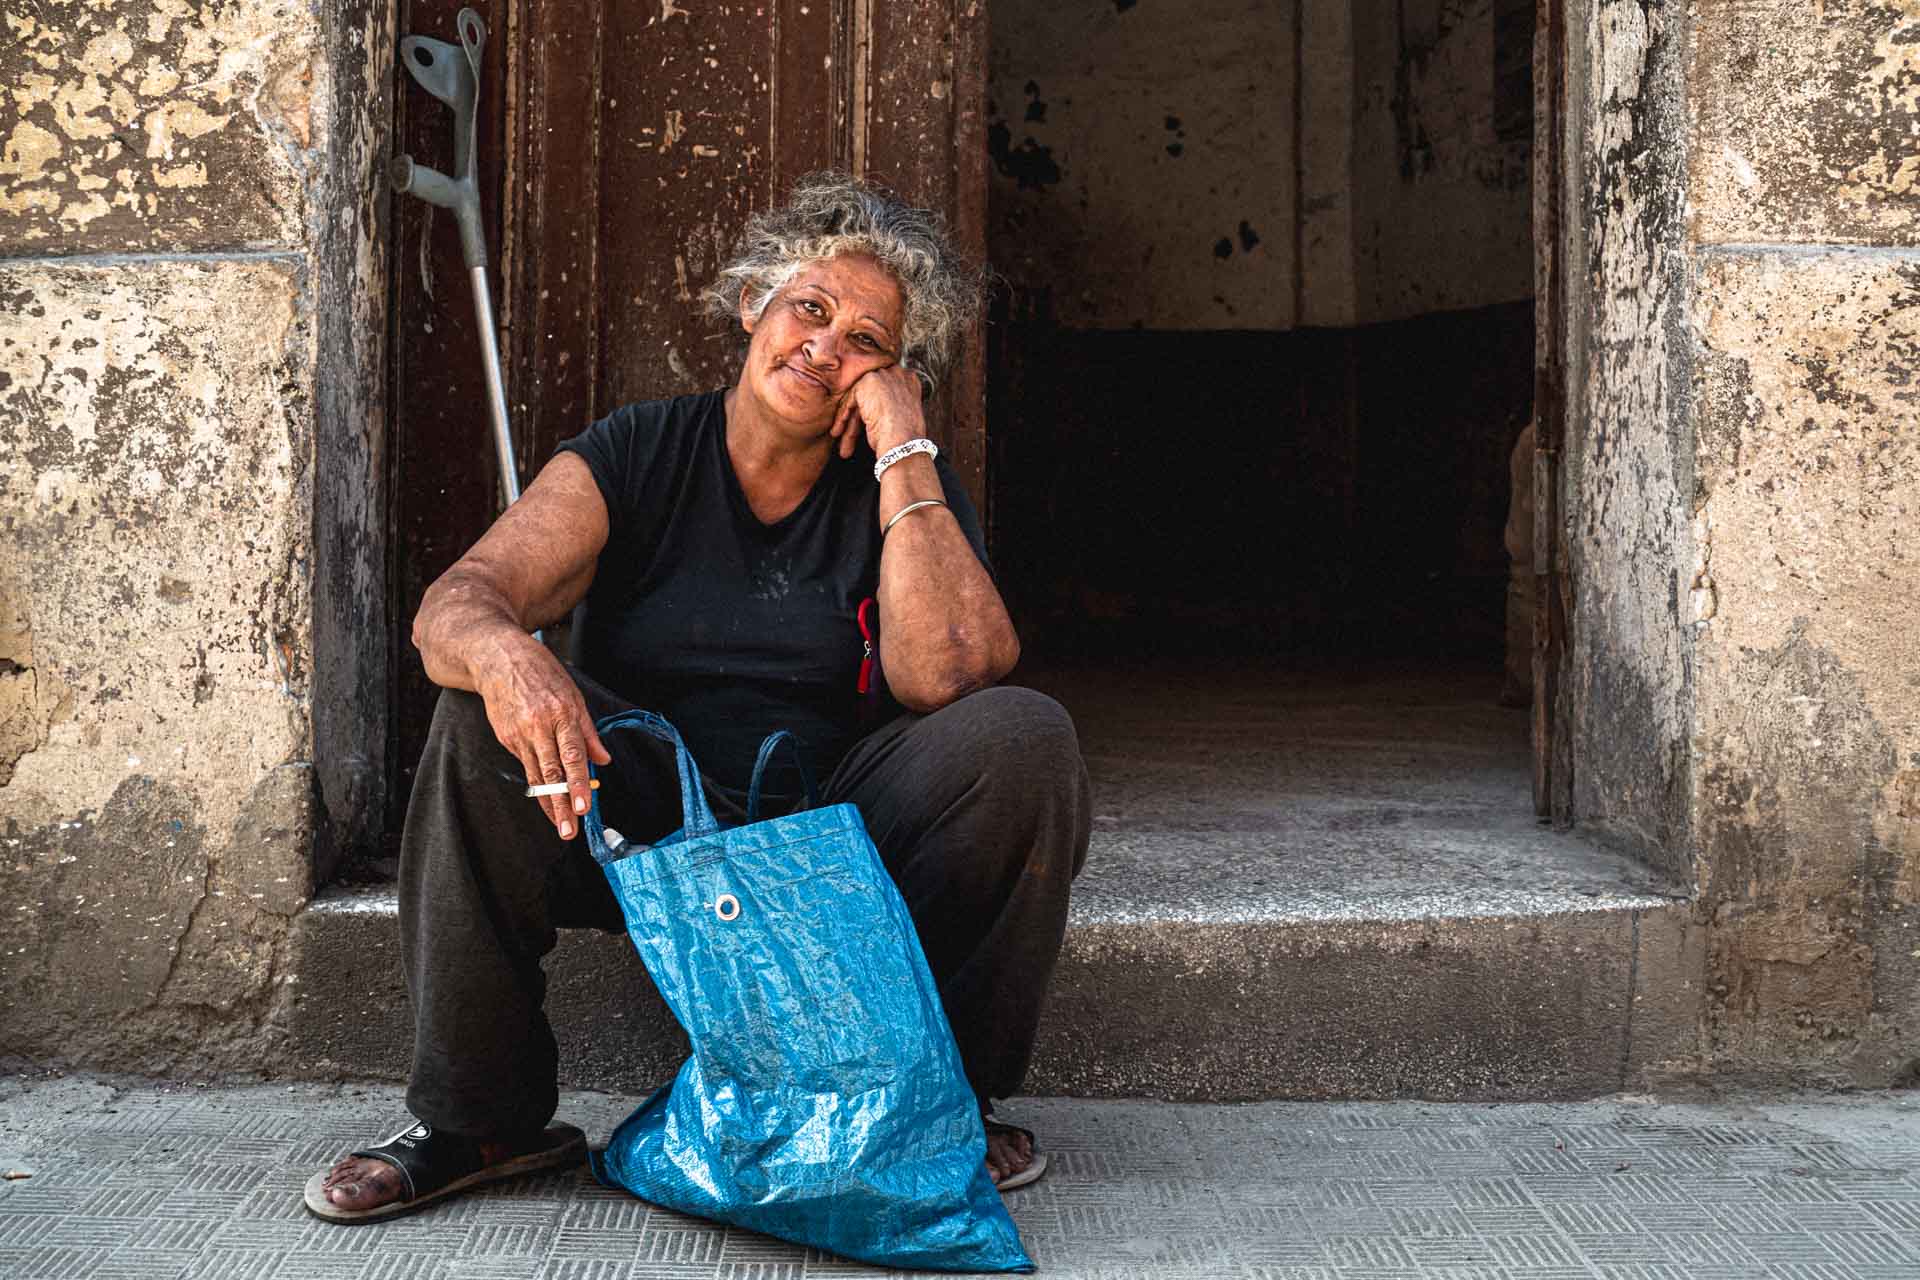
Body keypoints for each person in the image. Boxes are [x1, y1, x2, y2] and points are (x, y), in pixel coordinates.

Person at [306, 173, 1093, 1223]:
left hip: (833, 836)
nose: (825, 344)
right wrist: (510, 655)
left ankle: (945, 1101)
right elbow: (459, 601)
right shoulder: (638, 451)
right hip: (648, 821)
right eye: (809, 307)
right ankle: (479, 1116)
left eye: (867, 338)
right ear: (752, 307)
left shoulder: (899, 484)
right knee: (470, 717)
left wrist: (905, 444)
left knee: (1024, 737)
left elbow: (947, 671)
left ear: (893, 375)